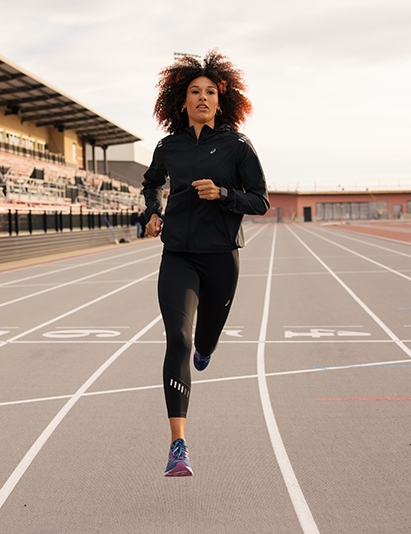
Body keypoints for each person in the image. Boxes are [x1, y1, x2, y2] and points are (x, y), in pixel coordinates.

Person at [142, 50, 269, 477]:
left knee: (203, 341)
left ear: (221, 100)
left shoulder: (236, 145)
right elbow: (151, 184)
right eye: (194, 92)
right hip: (177, 255)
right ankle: (178, 444)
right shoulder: (168, 147)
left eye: (209, 92)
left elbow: (261, 200)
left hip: (221, 259)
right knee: (177, 339)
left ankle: (207, 348)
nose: (201, 98)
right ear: (181, 102)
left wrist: (224, 195)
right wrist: (152, 213)